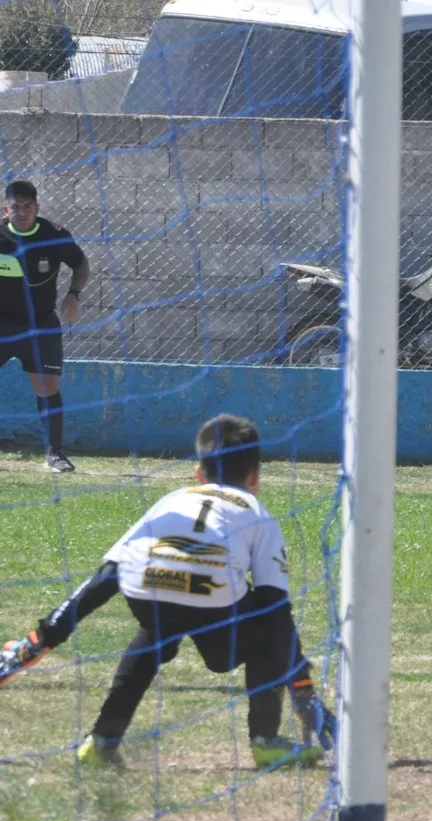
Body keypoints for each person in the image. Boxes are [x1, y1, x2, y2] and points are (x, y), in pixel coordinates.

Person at [0, 413, 337, 771]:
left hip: (146, 589)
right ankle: (266, 742)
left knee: (154, 635)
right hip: (215, 600)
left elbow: (107, 576)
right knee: (265, 628)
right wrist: (301, 685)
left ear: (198, 472)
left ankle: (101, 742)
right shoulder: (257, 513)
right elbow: (275, 606)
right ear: (255, 477)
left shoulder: (171, 501)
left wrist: (39, 639)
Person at [0, 180, 91, 472]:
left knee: (47, 387)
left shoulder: (54, 235)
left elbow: (81, 264)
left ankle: (55, 454)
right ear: (6, 209)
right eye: (16, 207)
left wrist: (73, 295)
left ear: (37, 208)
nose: (22, 212)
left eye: (28, 207)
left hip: (40, 324)